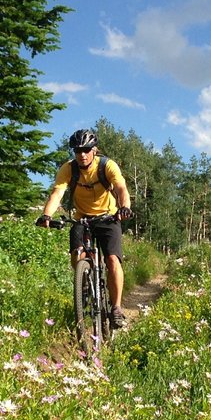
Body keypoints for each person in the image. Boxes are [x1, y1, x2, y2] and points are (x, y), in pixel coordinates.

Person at [36, 129, 133, 328]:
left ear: (94, 150)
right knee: (76, 254)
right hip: (82, 218)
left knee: (113, 260)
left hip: (108, 217)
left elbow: (121, 188)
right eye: (78, 150)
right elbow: (57, 193)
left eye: (86, 150)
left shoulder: (107, 166)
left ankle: (116, 308)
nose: (82, 154)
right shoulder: (68, 169)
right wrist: (46, 215)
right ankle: (85, 283)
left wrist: (124, 208)